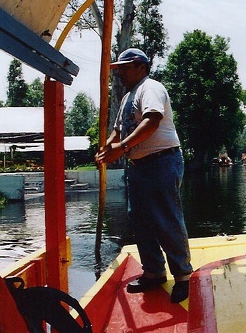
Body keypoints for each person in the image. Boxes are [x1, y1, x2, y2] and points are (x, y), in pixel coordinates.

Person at [95, 48, 192, 303]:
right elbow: (118, 130)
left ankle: (182, 276)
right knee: (140, 220)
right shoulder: (128, 96)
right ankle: (154, 272)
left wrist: (123, 148)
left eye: (124, 68)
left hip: (161, 161)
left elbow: (152, 120)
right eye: (118, 69)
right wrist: (107, 148)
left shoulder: (151, 88)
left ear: (140, 66)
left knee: (166, 218)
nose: (120, 73)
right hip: (139, 167)